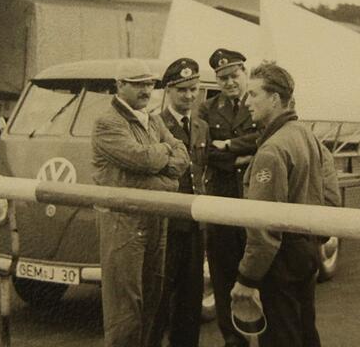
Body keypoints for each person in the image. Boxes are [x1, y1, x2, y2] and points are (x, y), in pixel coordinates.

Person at [231, 62, 334, 347]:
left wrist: (247, 278)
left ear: (275, 99)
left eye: (253, 94)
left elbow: (264, 225)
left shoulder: (273, 149)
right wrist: (315, 240)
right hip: (307, 250)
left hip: (280, 260)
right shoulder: (307, 135)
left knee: (281, 338)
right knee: (305, 332)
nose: (246, 101)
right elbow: (331, 196)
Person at [91, 59, 190, 347]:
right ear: (120, 86)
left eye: (149, 83)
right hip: (124, 221)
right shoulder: (108, 122)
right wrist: (164, 160)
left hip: (154, 218)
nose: (146, 89)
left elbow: (182, 154)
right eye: (138, 83)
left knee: (152, 299)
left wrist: (160, 160)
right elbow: (141, 159)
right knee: (126, 309)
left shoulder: (154, 118)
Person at [198, 48, 259, 347]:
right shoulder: (207, 109)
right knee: (223, 275)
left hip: (254, 198)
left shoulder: (262, 102)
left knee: (258, 271)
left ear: (245, 73)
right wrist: (238, 159)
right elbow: (203, 149)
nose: (229, 83)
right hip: (222, 200)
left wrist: (230, 143)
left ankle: (264, 335)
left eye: (234, 76)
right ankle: (233, 339)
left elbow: (266, 138)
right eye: (223, 79)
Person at [150, 58, 211, 347]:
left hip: (194, 226)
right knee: (158, 300)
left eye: (193, 89)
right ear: (169, 91)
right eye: (182, 90)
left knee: (190, 300)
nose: (188, 96)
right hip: (166, 225)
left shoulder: (201, 127)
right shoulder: (154, 124)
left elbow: (202, 170)